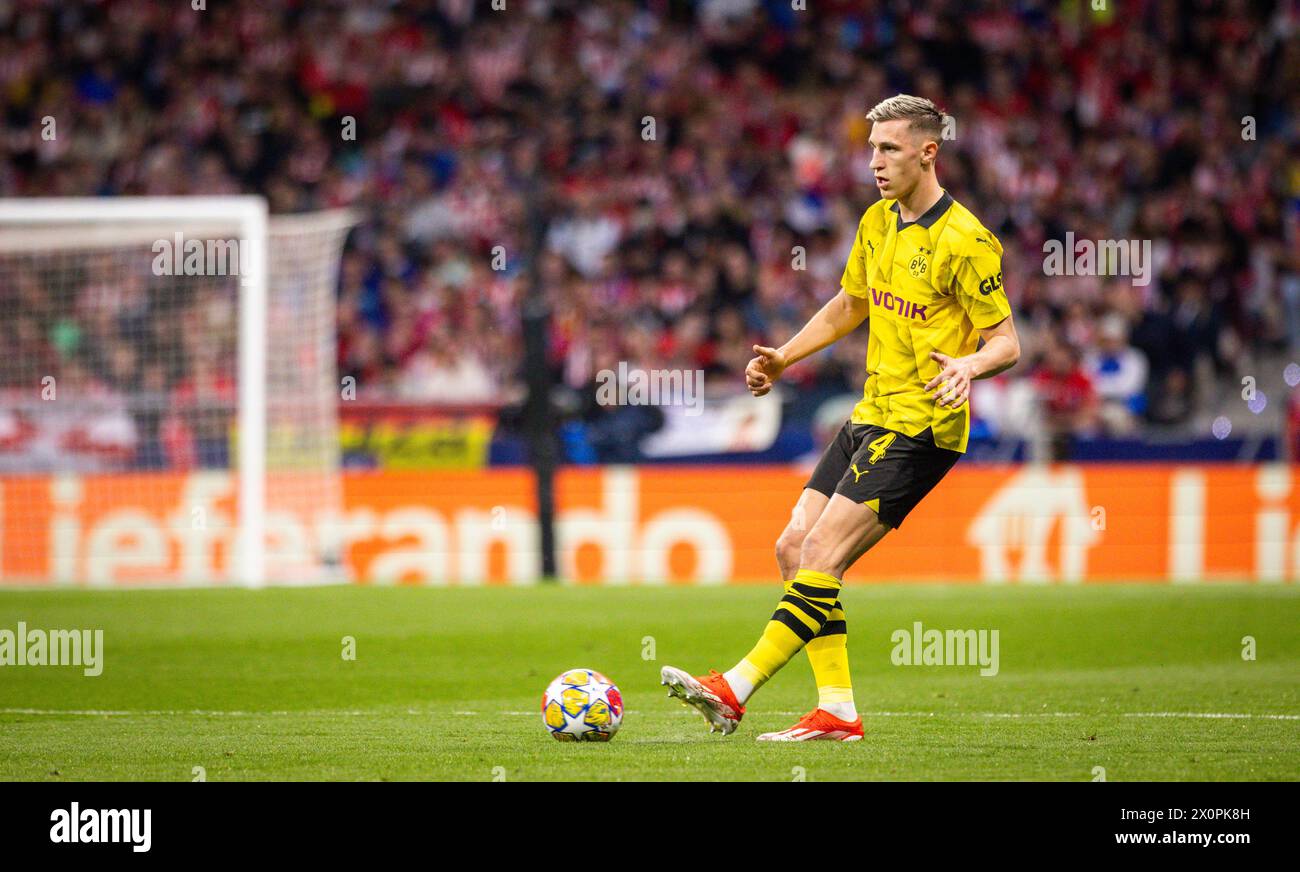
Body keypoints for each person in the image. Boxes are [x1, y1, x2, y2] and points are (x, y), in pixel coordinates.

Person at [660, 95, 1020, 741]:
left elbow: (1008, 342)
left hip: (922, 427)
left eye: (889, 149)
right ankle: (838, 711)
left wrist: (970, 366)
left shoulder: (965, 240)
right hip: (872, 412)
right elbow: (849, 303)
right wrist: (783, 359)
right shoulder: (878, 222)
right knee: (794, 547)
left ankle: (735, 688)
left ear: (927, 152)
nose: (874, 162)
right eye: (872, 148)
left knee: (823, 550)